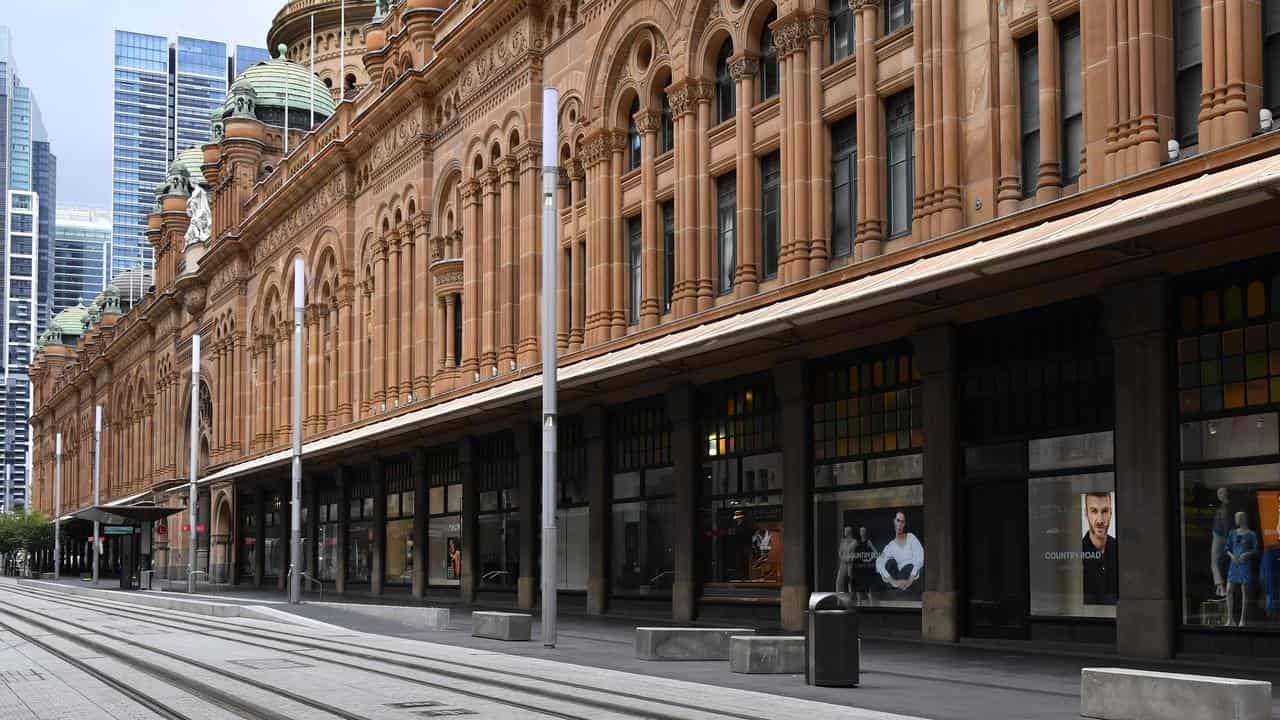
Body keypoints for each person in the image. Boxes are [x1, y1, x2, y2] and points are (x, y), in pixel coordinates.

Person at [1081, 492, 1118, 605]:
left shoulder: (1120, 549)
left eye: (1105, 511)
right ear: (1086, 513)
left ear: (1111, 513)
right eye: (1094, 511)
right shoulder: (1078, 551)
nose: (1100, 520)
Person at [1226, 511, 1259, 627]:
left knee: (1244, 591)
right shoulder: (1232, 533)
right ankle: (1230, 619)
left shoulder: (1251, 534)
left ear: (1242, 519)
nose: (1236, 520)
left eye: (1237, 518)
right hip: (1234, 564)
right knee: (1229, 589)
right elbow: (1227, 547)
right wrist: (1231, 556)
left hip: (1244, 564)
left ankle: (1242, 619)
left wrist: (1246, 554)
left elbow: (1256, 550)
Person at [876, 512, 923, 591]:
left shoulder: (911, 538)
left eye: (902, 522)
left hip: (913, 579)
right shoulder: (890, 546)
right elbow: (879, 563)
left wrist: (910, 581)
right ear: (894, 521)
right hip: (899, 581)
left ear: (905, 524)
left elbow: (920, 558)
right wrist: (892, 581)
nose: (900, 524)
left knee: (909, 567)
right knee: (891, 563)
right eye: (898, 520)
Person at [1211, 488, 1232, 597]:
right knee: (1218, 562)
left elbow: (1225, 525)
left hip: (1220, 536)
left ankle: (1221, 587)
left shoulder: (1224, 508)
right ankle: (1220, 587)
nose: (1219, 495)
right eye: (1218, 493)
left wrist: (1226, 537)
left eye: (1220, 493)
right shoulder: (1224, 507)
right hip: (1220, 535)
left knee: (1215, 562)